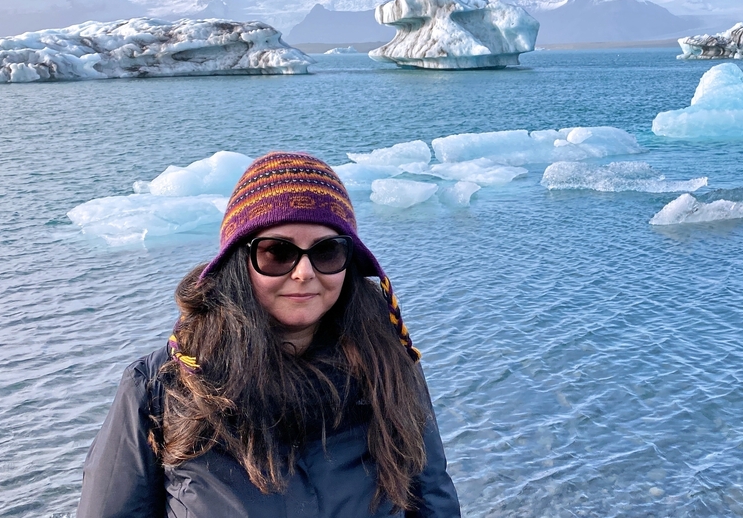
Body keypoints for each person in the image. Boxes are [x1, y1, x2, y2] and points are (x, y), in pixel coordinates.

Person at [77, 152, 461, 517]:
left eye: (327, 252)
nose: (304, 273)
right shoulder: (162, 388)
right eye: (277, 252)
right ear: (238, 263)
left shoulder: (388, 367)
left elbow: (432, 501)